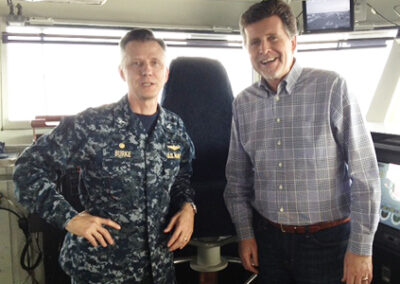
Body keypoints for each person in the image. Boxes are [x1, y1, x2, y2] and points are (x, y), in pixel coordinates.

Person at [13, 28, 197, 284]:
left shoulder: (175, 128)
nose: (147, 70)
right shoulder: (92, 124)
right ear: (122, 72)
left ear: (165, 73)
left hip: (158, 268)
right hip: (101, 270)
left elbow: (182, 178)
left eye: (155, 63)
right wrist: (69, 218)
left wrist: (188, 208)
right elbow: (27, 169)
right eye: (136, 63)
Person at [223, 1, 381, 284]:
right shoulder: (242, 104)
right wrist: (246, 235)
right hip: (268, 239)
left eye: (273, 38)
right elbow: (237, 182)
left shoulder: (332, 87)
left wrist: (361, 249)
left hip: (327, 242)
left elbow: (365, 176)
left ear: (293, 41)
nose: (264, 49)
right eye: (255, 41)